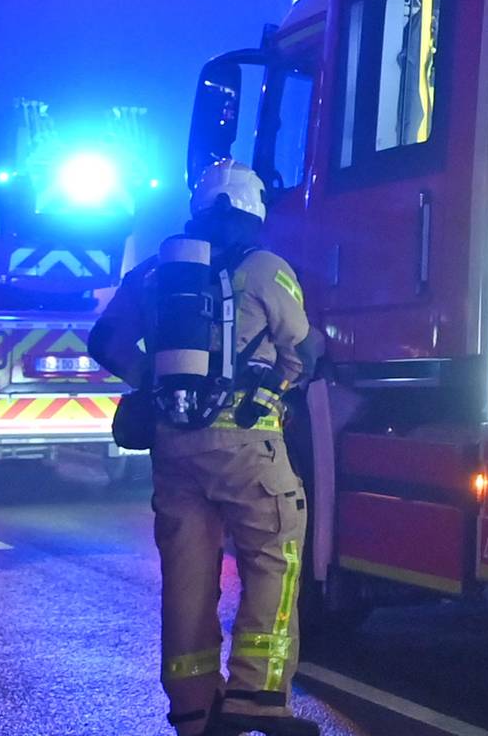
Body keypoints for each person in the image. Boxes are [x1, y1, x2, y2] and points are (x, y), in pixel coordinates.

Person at [93, 161, 318, 736]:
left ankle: (193, 711)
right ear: (253, 213)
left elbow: (106, 339)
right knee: (273, 559)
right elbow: (300, 352)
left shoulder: (155, 273)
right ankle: (255, 697)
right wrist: (275, 387)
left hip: (174, 448)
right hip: (249, 447)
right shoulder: (268, 269)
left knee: (187, 579)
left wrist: (153, 379)